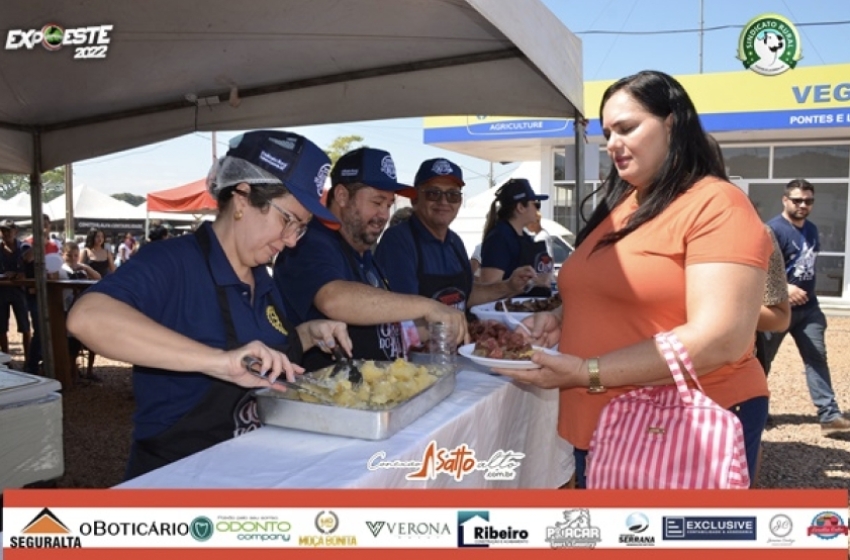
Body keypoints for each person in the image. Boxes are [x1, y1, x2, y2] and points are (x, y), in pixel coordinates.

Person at [492, 70, 772, 488]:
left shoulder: (716, 203)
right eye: (607, 133)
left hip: (679, 427)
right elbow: (614, 290)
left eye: (627, 127)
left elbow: (721, 337)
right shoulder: (624, 204)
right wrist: (563, 318)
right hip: (603, 426)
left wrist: (587, 371)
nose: (613, 144)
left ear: (672, 122)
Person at [67, 130, 353, 479]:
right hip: (176, 480)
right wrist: (217, 362)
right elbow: (87, 318)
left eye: (302, 229)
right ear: (243, 198)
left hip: (248, 469)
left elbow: (265, 350)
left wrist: (310, 333)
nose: (292, 241)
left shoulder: (263, 278)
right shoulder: (173, 262)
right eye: (288, 220)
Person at [273, 148, 467, 371]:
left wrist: (438, 327)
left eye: (388, 204)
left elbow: (384, 328)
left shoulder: (362, 253)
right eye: (377, 202)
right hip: (330, 395)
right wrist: (428, 307)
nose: (384, 215)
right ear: (342, 196)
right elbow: (333, 299)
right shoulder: (310, 242)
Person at [375, 157, 536, 311]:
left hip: (459, 339)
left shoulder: (455, 242)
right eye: (433, 193)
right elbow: (403, 312)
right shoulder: (398, 242)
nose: (443, 202)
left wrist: (509, 286)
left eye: (452, 195)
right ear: (415, 199)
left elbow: (467, 296)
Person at [760, 179, 850, 434]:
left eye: (808, 201)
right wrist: (785, 288)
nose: (802, 205)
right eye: (797, 200)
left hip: (809, 309)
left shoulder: (811, 229)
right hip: (776, 308)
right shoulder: (772, 230)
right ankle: (756, 411)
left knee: (817, 358)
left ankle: (830, 416)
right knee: (762, 363)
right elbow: (758, 267)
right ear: (785, 200)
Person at [479, 178, 553, 297]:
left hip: (527, 310)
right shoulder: (499, 238)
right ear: (520, 207)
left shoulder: (525, 237)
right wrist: (534, 282)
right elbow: (489, 289)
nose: (538, 210)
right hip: (506, 313)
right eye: (536, 204)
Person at [22, 213, 60, 374]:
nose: (43, 227)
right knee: (39, 327)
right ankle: (32, 364)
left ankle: (44, 361)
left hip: (50, 290)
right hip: (32, 292)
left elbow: (57, 268)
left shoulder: (54, 245)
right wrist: (38, 243)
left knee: (50, 327)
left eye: (46, 224)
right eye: (40, 224)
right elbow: (26, 259)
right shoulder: (27, 243)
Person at [0, 219, 31, 356]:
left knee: (25, 326)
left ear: (15, 231)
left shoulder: (24, 248)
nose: (6, 233)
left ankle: (29, 358)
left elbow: (31, 268)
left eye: (9, 230)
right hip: (1, 291)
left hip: (20, 291)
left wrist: (22, 274)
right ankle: (6, 358)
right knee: (1, 327)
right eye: (3, 230)